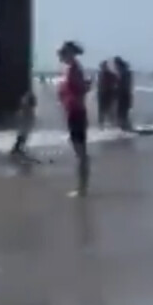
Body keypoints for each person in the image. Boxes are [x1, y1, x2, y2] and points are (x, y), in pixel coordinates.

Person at [57, 40, 92, 196]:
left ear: (70, 53)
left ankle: (82, 188)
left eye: (62, 53)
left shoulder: (74, 69)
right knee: (79, 152)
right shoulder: (71, 69)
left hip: (76, 112)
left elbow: (82, 89)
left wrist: (84, 87)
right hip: (74, 112)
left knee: (80, 153)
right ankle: (82, 187)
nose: (60, 56)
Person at [10, 89, 38, 162]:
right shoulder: (26, 101)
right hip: (26, 119)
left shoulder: (25, 100)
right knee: (23, 135)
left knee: (23, 135)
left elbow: (25, 109)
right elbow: (31, 107)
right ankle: (17, 149)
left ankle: (17, 149)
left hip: (26, 120)